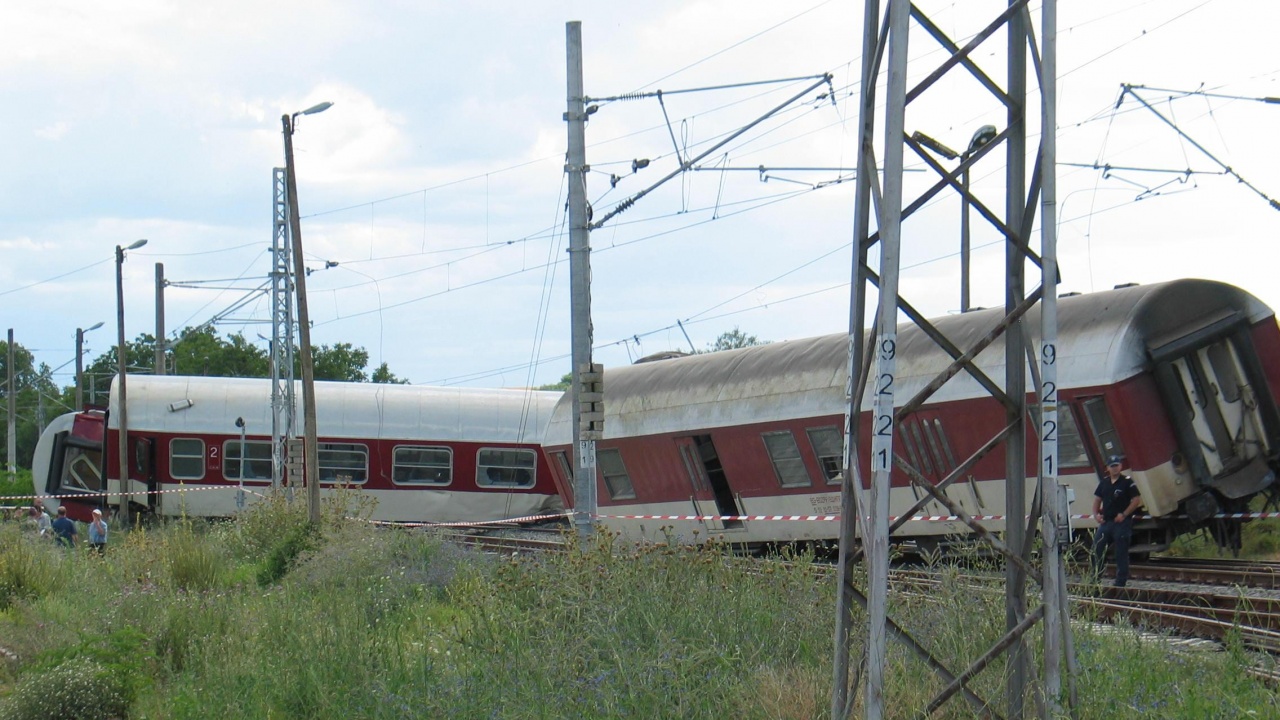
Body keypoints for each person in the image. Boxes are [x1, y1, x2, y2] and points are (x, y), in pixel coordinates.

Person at [1091, 455, 1143, 587]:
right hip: (1106, 523)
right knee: (1097, 549)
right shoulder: (1104, 482)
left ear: (1121, 466)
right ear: (1107, 468)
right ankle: (1095, 577)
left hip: (1121, 523)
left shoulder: (1127, 481)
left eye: (1117, 465)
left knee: (1121, 552)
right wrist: (1096, 514)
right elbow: (1097, 500)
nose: (1115, 468)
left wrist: (1124, 514)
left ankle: (1120, 581)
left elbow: (1136, 500)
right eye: (1112, 466)